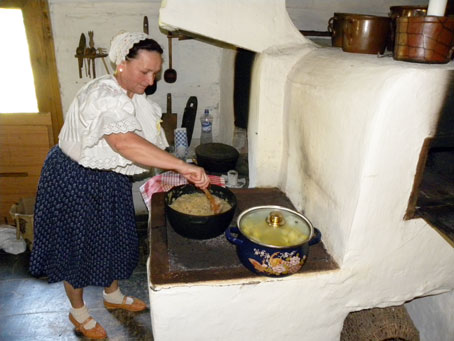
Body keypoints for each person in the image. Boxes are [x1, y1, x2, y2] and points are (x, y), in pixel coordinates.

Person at [29, 31, 210, 339]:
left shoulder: (133, 96)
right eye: (145, 72)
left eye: (155, 72)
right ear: (122, 65)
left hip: (108, 178)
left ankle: (112, 295)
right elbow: (124, 142)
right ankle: (79, 313)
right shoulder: (103, 95)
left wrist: (174, 163)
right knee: (77, 247)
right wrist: (181, 166)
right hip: (74, 177)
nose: (151, 80)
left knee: (113, 236)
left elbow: (137, 140)